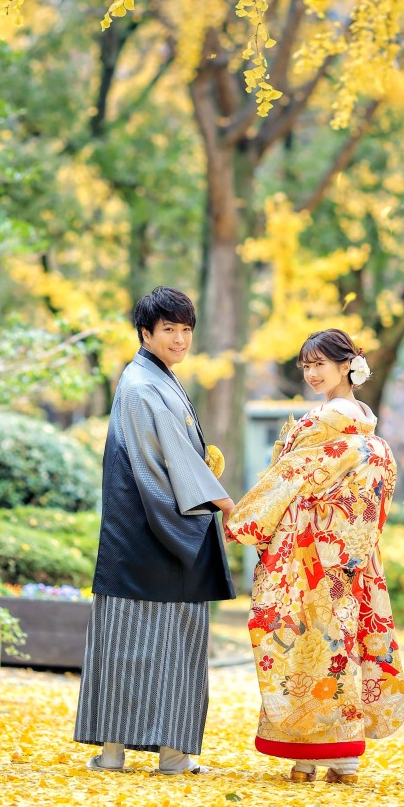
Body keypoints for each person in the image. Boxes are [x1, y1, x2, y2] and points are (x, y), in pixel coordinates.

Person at [225, 328, 404, 784]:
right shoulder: (369, 434)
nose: (310, 373)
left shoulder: (322, 425)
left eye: (319, 364)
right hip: (347, 555)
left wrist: (240, 517)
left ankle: (315, 753)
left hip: (305, 553)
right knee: (338, 642)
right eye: (305, 365)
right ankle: (330, 755)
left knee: (306, 644)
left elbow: (285, 480)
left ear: (347, 365)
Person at [74, 286, 236, 775]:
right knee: (162, 639)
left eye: (186, 330)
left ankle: (122, 753)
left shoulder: (151, 376)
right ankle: (163, 755)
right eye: (169, 329)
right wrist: (221, 501)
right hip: (157, 526)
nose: (180, 339)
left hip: (139, 528)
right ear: (145, 332)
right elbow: (173, 458)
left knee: (127, 639)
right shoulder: (144, 384)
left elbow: (176, 453)